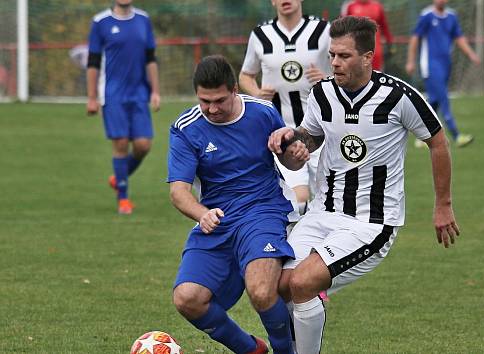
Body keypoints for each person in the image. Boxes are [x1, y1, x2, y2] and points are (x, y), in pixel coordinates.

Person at [268, 16, 460, 353]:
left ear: (368, 57)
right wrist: (292, 142)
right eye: (333, 55)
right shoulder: (323, 93)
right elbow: (309, 138)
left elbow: (438, 141)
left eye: (344, 56)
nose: (336, 63)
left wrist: (442, 204)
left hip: (370, 223)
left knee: (302, 281)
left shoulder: (398, 97)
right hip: (321, 213)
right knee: (279, 285)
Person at [168, 55, 307, 354]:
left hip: (263, 209)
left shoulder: (262, 112)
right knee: (187, 298)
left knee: (261, 291)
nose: (212, 109)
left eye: (219, 100)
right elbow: (178, 191)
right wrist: (201, 213)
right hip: (217, 218)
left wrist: (294, 151)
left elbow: (287, 158)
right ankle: (249, 349)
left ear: (234, 90)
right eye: (205, 101)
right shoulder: (185, 127)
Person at [239, 0, 331, 215]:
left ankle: (326, 246)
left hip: (322, 131)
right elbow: (246, 75)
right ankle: (297, 246)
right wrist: (257, 94)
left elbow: (346, 70)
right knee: (297, 201)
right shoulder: (261, 35)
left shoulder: (323, 31)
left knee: (329, 199)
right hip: (281, 134)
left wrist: (328, 79)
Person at [86, 0, 160, 214]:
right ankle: (124, 199)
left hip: (139, 94)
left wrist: (155, 90)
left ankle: (118, 177)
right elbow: (93, 62)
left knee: (143, 145)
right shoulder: (100, 22)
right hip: (113, 94)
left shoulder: (143, 20)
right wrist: (92, 97)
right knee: (120, 143)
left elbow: (150, 58)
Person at [405, 0, 479, 148]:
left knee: (434, 101)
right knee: (444, 98)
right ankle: (457, 136)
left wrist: (471, 54)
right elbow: (415, 38)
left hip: (446, 65)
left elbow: (459, 38)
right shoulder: (426, 15)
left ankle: (421, 137)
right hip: (431, 65)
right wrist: (411, 61)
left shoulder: (452, 16)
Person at [340, 0, 394, 72]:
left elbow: (385, 27)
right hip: (355, 50)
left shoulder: (377, 6)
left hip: (376, 51)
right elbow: (343, 27)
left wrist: (390, 44)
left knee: (376, 76)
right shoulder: (350, 6)